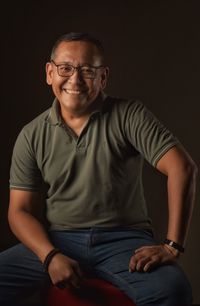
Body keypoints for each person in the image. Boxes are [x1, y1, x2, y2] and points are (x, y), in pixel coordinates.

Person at [0, 32, 197, 306]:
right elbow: (19, 211)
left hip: (124, 241)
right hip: (58, 239)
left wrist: (172, 246)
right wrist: (50, 255)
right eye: (65, 68)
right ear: (49, 73)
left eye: (87, 71)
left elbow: (182, 168)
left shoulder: (129, 115)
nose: (75, 79)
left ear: (103, 77)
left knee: (173, 291)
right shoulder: (31, 134)